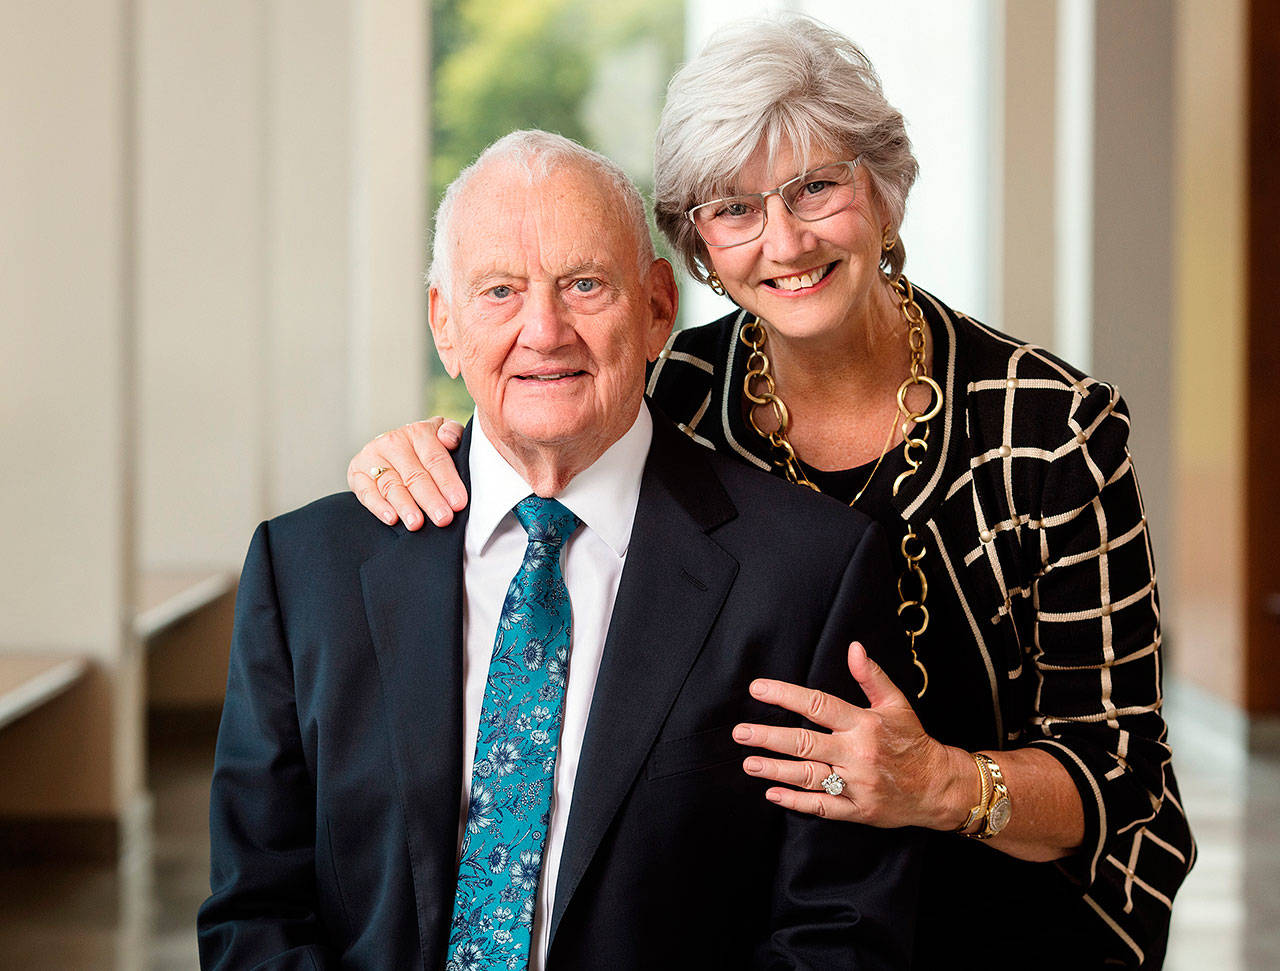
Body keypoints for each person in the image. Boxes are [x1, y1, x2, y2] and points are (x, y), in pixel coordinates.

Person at [344, 15, 1195, 970]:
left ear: (881, 192)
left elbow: (1119, 779)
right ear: (697, 250)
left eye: (816, 187)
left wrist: (945, 784)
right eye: (735, 209)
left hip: (1008, 929)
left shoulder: (1052, 430)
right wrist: (425, 455)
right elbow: (530, 439)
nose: (783, 240)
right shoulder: (671, 400)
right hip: (773, 929)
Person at [198, 130, 920, 970]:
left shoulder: (807, 575)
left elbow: (837, 934)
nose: (543, 331)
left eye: (584, 285)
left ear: (657, 309)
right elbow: (253, 914)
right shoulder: (306, 570)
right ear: (445, 323)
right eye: (499, 291)